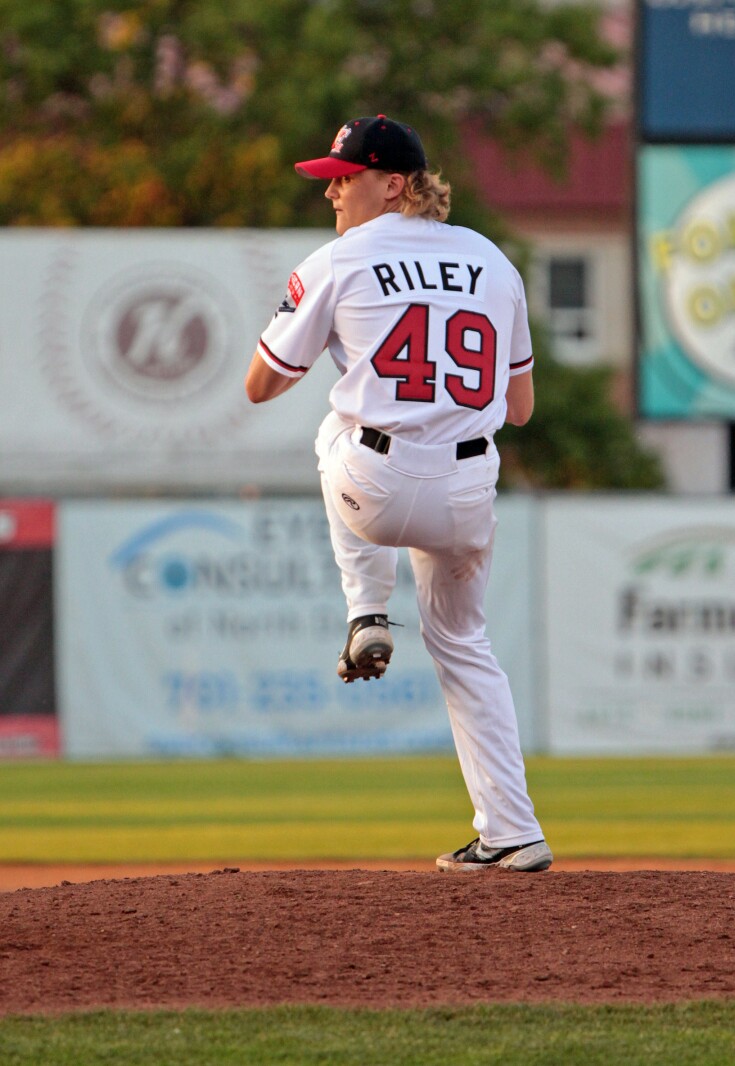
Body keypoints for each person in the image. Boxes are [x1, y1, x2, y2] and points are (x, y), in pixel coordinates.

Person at [245, 115, 552, 873]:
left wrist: (331, 339)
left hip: (375, 484)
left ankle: (365, 613)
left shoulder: (337, 260)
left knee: (330, 428)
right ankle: (513, 831)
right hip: (468, 488)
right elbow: (520, 409)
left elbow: (260, 385)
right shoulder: (490, 258)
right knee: (464, 644)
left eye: (345, 178)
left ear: (395, 183)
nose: (334, 192)